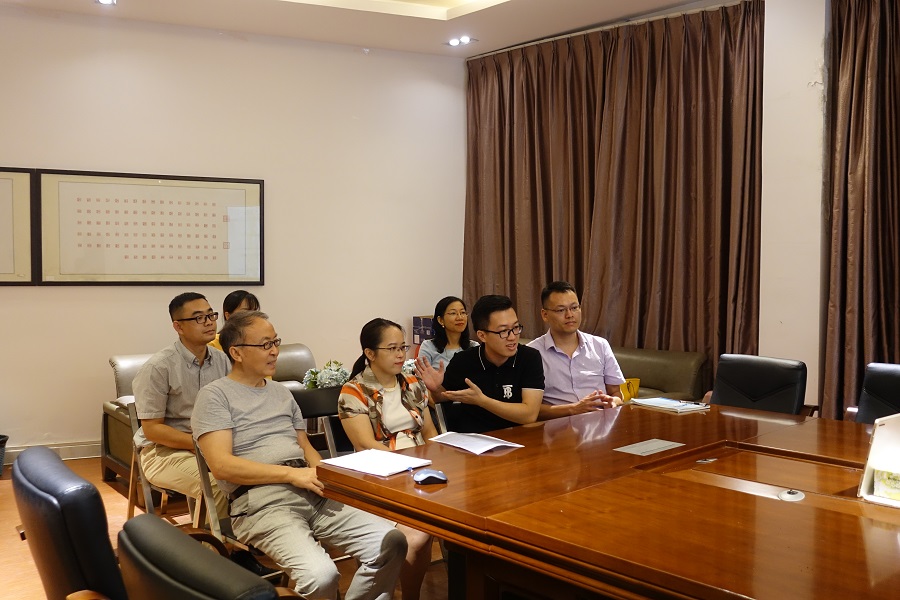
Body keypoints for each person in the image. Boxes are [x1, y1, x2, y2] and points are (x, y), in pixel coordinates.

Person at [192, 311, 407, 600]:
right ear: (237, 353)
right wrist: (293, 475)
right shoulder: (214, 396)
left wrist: (326, 476)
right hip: (262, 502)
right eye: (265, 344)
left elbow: (304, 447)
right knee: (321, 576)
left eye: (275, 342)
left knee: (391, 542)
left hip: (313, 491)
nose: (274, 351)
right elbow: (222, 466)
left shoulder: (282, 393)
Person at [339, 318, 438, 600]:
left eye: (402, 348)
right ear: (370, 353)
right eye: (392, 348)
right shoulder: (353, 391)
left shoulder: (413, 383)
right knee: (417, 537)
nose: (400, 355)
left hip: (421, 471)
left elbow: (430, 433)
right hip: (380, 476)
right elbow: (365, 446)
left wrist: (436, 462)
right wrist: (410, 463)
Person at [132, 292, 230, 519]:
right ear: (178, 326)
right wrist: (200, 444)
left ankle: (247, 537)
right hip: (163, 452)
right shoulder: (159, 367)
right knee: (217, 486)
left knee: (261, 474)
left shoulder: (223, 360)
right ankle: (212, 542)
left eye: (211, 315)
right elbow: (152, 430)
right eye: (199, 318)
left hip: (213, 446)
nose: (209, 322)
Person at [416, 294, 544, 433]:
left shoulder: (529, 357)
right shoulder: (463, 360)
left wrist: (482, 401)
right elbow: (443, 397)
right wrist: (435, 388)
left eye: (516, 327)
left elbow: (529, 415)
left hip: (518, 437)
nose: (512, 337)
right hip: (473, 438)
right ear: (482, 335)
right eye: (503, 331)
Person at [527, 281, 625, 419]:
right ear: (545, 315)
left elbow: (616, 393)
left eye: (574, 308)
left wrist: (614, 402)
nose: (569, 315)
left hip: (600, 423)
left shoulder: (600, 345)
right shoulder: (531, 353)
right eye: (561, 310)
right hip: (558, 426)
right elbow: (529, 409)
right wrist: (573, 409)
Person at [417, 296, 478, 370]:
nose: (460, 318)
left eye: (463, 312)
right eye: (453, 313)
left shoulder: (474, 347)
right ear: (441, 320)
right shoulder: (428, 347)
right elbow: (421, 375)